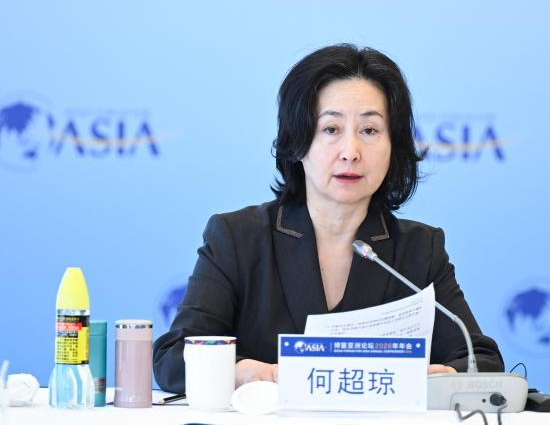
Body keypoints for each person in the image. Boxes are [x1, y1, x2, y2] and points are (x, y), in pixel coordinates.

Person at [153, 44, 504, 393]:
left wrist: (442, 377)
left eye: (369, 130)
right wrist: (243, 372)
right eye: (331, 129)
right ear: (298, 141)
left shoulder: (419, 250)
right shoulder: (238, 238)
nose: (350, 152)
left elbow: (481, 360)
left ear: (393, 145)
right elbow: (173, 358)